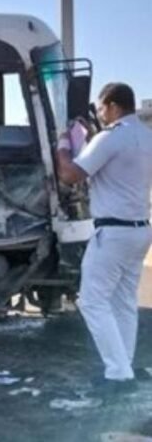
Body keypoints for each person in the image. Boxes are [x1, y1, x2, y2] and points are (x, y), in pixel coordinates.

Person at [56, 82, 152, 393]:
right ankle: (125, 365)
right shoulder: (146, 136)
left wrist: (63, 146)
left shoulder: (110, 137)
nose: (99, 114)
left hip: (113, 233)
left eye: (101, 108)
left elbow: (70, 175)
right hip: (140, 229)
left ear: (112, 106)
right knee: (123, 301)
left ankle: (118, 373)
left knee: (92, 301)